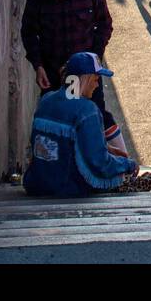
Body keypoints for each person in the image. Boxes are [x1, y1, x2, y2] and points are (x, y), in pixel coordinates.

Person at [24, 52, 137, 197]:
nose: (97, 85)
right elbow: (99, 163)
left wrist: (106, 147)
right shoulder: (87, 110)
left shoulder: (46, 99)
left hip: (36, 185)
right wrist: (128, 165)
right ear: (85, 79)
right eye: (96, 79)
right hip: (67, 189)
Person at [20, 0, 114, 119]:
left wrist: (95, 57)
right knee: (58, 121)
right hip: (54, 75)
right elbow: (28, 33)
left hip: (87, 74)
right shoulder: (37, 0)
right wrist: (38, 66)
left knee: (94, 117)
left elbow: (105, 25)